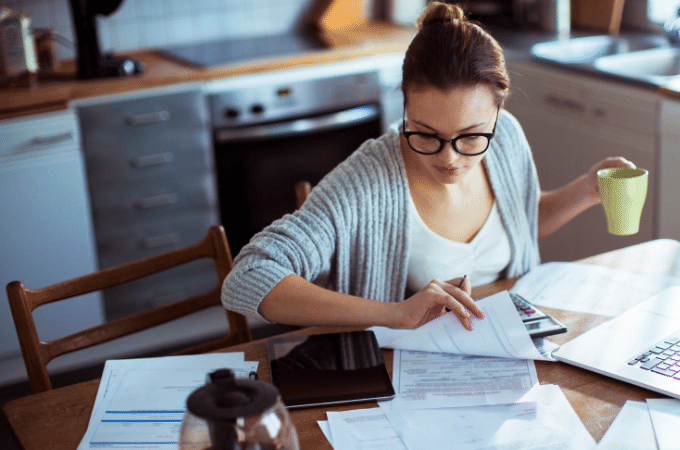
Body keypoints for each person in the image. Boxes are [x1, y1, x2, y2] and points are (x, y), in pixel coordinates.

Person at [221, 2, 634, 331]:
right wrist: (394, 314)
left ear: (498, 111)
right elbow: (248, 278)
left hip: (507, 350)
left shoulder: (506, 137)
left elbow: (522, 220)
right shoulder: (367, 183)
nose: (449, 158)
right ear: (405, 105)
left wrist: (586, 190)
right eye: (426, 133)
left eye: (472, 136)